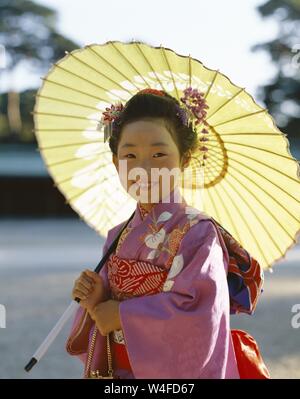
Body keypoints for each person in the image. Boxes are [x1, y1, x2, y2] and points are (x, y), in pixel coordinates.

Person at [65, 89, 258, 379]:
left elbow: (201, 315)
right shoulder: (117, 234)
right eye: (129, 155)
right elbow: (104, 314)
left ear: (185, 158)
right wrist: (96, 299)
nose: (144, 167)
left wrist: (121, 314)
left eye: (159, 153)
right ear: (116, 163)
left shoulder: (199, 233)